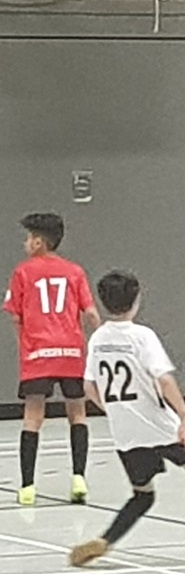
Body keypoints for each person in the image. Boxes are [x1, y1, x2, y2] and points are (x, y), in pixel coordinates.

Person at [68, 270, 185, 568]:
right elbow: (164, 380)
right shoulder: (142, 336)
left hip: (126, 433)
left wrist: (114, 410)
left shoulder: (98, 339)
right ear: (136, 300)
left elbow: (88, 387)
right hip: (160, 426)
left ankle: (106, 540)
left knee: (143, 494)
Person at [3, 213, 100, 506]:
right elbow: (90, 313)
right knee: (77, 413)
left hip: (38, 354)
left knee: (33, 417)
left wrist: (25, 343)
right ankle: (79, 478)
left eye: (28, 238)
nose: (25, 243)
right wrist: (99, 342)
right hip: (71, 352)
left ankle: (28, 487)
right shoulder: (74, 272)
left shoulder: (23, 272)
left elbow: (14, 315)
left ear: (38, 241)